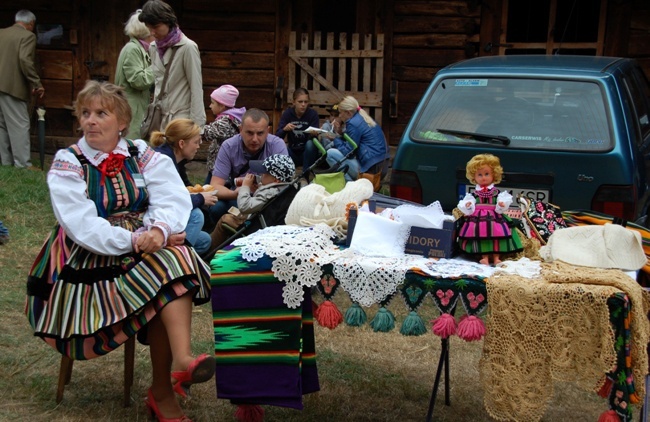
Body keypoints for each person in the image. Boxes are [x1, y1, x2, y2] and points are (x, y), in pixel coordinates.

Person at [25, 81, 213, 421]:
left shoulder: (141, 154)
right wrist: (134, 240)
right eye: (85, 114)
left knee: (175, 258)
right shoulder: (69, 161)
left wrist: (157, 229)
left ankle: (178, 368)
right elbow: (80, 224)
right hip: (86, 260)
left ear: (122, 121)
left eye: (101, 113)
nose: (91, 121)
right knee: (170, 268)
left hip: (143, 247)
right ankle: (166, 385)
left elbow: (172, 197)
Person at [204, 108, 288, 232]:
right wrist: (236, 193)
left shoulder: (277, 145)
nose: (255, 139)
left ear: (268, 131)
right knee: (216, 207)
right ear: (240, 129)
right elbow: (215, 186)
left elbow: (283, 184)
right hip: (238, 196)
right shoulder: (229, 146)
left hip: (267, 198)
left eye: (260, 133)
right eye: (249, 133)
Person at [151, 118, 215, 256]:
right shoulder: (163, 162)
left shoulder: (177, 160)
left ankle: (179, 253)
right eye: (196, 142)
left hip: (165, 213)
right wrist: (201, 199)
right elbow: (170, 202)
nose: (199, 146)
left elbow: (185, 186)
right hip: (154, 216)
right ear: (181, 143)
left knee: (204, 240)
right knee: (196, 216)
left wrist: (199, 193)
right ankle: (175, 261)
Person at [139, 0, 205, 131]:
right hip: (158, 122)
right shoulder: (153, 48)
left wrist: (197, 128)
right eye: (149, 27)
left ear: (168, 22)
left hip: (180, 122)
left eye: (156, 27)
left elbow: (196, 88)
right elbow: (158, 84)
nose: (152, 32)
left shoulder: (187, 48)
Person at [209, 154, 296, 250]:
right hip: (265, 222)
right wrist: (259, 189)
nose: (261, 175)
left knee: (225, 219)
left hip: (257, 229)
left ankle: (209, 252)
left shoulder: (270, 193)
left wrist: (245, 187)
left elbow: (244, 206)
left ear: (276, 180)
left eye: (264, 173)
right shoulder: (287, 189)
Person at [456, 153, 523, 265]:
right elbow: (469, 203)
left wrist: (501, 204)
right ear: (474, 177)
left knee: (497, 236)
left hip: (495, 217)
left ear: (494, 175)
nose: (484, 177)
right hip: (478, 219)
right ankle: (484, 257)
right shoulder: (474, 193)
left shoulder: (497, 192)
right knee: (480, 236)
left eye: (487, 174)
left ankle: (497, 257)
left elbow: (502, 203)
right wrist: (468, 205)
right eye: (480, 175)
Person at [0, 9, 45, 169]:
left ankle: (5, 162)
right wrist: (36, 83)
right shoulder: (28, 36)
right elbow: (25, 60)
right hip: (12, 87)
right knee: (20, 124)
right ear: (31, 23)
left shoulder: (1, 33)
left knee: (2, 125)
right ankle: (23, 164)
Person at [326, 96, 388, 184]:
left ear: (348, 112)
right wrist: (340, 134)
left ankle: (350, 185)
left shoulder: (352, 123)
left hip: (371, 170)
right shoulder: (361, 117)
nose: (339, 116)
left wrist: (335, 139)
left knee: (330, 153)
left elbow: (348, 153)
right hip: (381, 166)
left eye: (340, 113)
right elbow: (354, 142)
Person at [114, 9, 155, 138]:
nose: (156, 33)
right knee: (131, 147)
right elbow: (138, 80)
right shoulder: (133, 49)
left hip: (137, 110)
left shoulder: (141, 49)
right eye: (153, 28)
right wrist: (157, 67)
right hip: (131, 112)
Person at [202, 84, 246, 184]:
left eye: (212, 103)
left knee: (211, 190)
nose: (210, 106)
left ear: (222, 106)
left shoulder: (225, 122)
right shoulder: (234, 118)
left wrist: (193, 126)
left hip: (220, 166)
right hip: (222, 165)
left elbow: (207, 133)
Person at [275, 88, 320, 168]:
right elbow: (277, 136)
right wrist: (285, 129)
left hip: (307, 153)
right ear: (294, 102)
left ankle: (305, 174)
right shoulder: (288, 114)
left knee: (311, 144)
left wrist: (314, 134)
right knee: (280, 145)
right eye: (300, 102)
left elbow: (315, 139)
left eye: (305, 102)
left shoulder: (312, 114)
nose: (303, 105)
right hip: (292, 151)